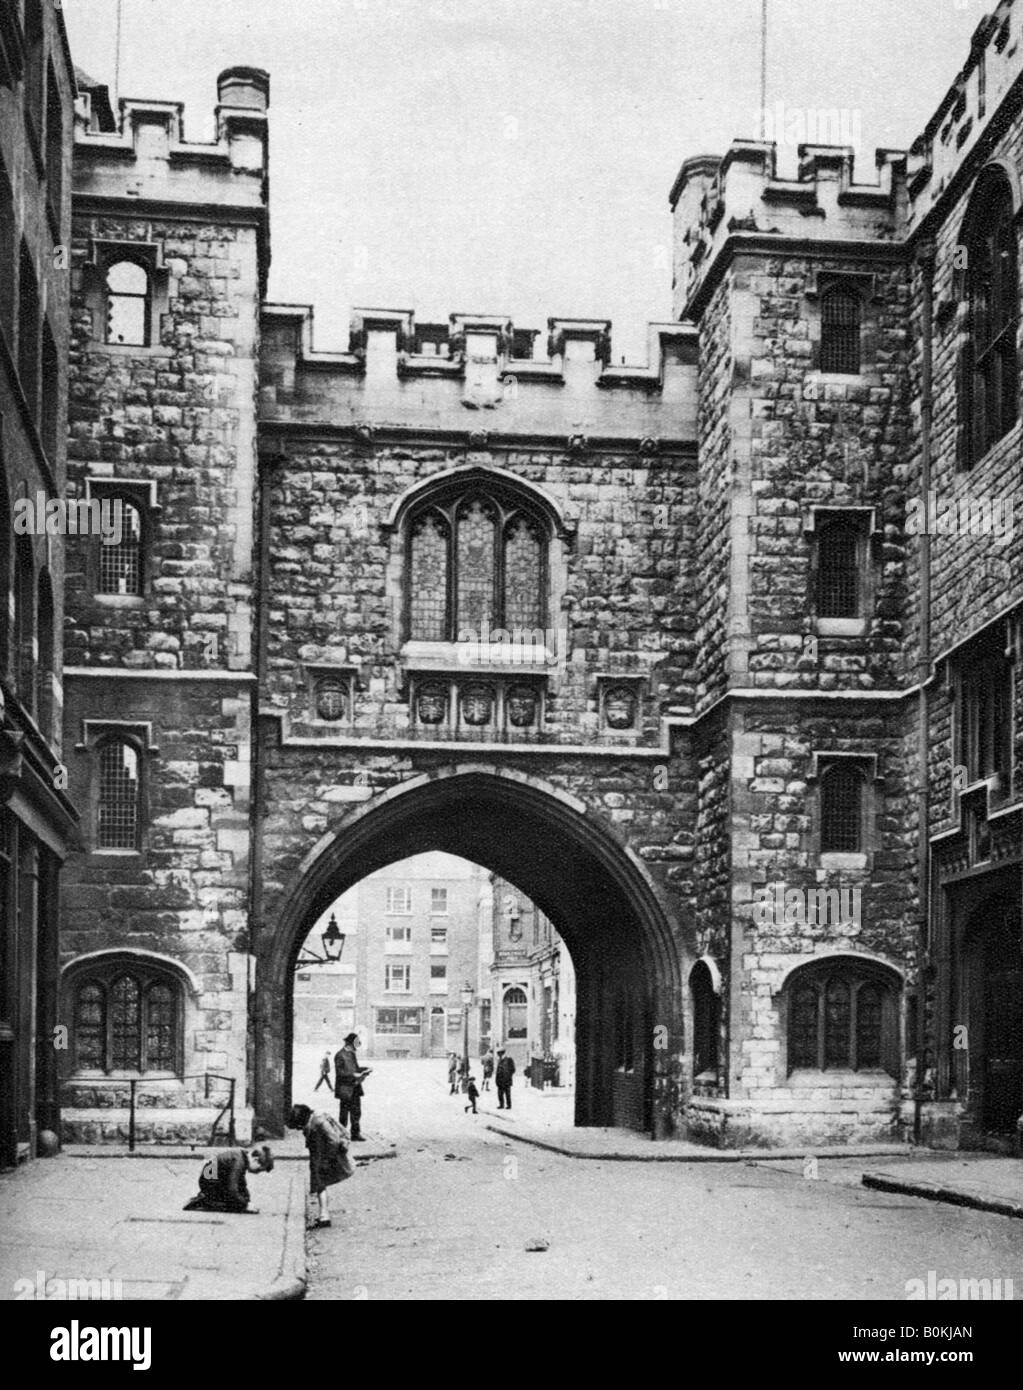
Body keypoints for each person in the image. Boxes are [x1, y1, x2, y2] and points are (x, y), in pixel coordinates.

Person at [288, 1103, 353, 1229]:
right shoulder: (315, 1120)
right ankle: (324, 1214)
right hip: (319, 1157)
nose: (300, 1129)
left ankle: (324, 1216)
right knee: (320, 1184)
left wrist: (327, 1159)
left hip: (322, 1157)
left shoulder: (318, 1122)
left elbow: (333, 1140)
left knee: (321, 1184)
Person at [183, 1144, 273, 1213]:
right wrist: (245, 1204)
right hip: (210, 1183)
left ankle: (208, 1198)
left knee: (237, 1202)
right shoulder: (239, 1162)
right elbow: (233, 1188)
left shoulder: (242, 1156)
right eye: (259, 1169)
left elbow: (241, 1183)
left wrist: (247, 1200)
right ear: (255, 1160)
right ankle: (203, 1201)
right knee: (232, 1206)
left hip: (212, 1179)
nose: (257, 1172)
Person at [334, 1032, 372, 1141]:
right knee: (344, 1114)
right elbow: (340, 1073)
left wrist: (365, 1070)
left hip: (355, 1087)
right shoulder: (339, 1055)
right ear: (350, 1043)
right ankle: (342, 1135)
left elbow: (356, 1068)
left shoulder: (351, 1054)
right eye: (356, 1043)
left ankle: (355, 1134)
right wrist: (353, 1075)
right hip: (345, 1089)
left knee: (356, 1112)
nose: (358, 1045)